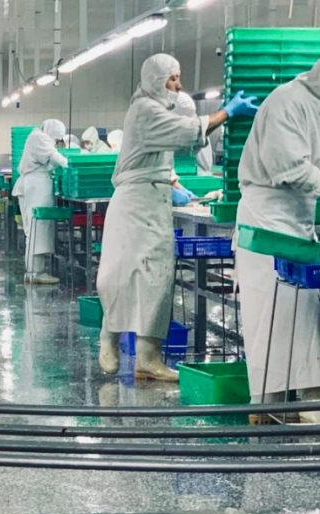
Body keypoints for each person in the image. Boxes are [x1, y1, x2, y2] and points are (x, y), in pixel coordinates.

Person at [234, 38, 320, 420]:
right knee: (272, 312)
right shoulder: (286, 101)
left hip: (298, 220)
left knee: (302, 312)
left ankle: (309, 401)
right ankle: (266, 404)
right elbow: (288, 166)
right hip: (266, 220)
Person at [96, 54, 258, 382]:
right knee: (119, 273)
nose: (179, 85)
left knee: (156, 279)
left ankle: (148, 357)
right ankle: (108, 337)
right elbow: (183, 131)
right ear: (156, 79)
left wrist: (175, 185)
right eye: (173, 78)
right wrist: (227, 112)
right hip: (132, 203)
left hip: (155, 202)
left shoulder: (157, 111)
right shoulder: (143, 110)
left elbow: (169, 150)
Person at [12, 119, 69, 284]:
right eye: (57, 138)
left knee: (35, 229)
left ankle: (33, 271)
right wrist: (71, 164)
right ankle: (35, 272)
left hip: (34, 185)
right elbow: (55, 157)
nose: (56, 142)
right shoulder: (39, 137)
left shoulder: (37, 137)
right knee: (38, 227)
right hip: (36, 186)